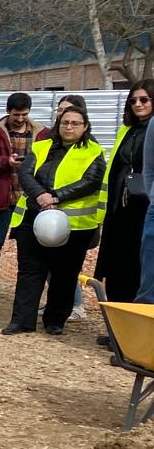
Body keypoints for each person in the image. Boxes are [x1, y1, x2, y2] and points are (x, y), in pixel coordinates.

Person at [1, 104, 105, 337]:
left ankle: (55, 320)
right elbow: (26, 174)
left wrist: (57, 197)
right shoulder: (41, 146)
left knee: (65, 274)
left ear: (85, 127)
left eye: (75, 123)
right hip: (33, 216)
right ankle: (22, 320)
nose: (69, 126)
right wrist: (41, 196)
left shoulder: (93, 151)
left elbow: (91, 180)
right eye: (65, 122)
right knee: (30, 271)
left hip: (74, 225)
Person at [98, 82, 152, 305]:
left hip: (145, 210)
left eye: (143, 99)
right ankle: (116, 327)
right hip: (119, 209)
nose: (137, 104)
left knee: (139, 268)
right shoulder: (126, 130)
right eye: (132, 100)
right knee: (116, 267)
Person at [0, 93, 36, 297]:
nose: (20, 118)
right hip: (3, 196)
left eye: (24, 114)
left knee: (27, 245)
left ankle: (25, 283)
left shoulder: (39, 133)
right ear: (8, 112)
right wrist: (6, 162)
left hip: (28, 199)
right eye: (16, 114)